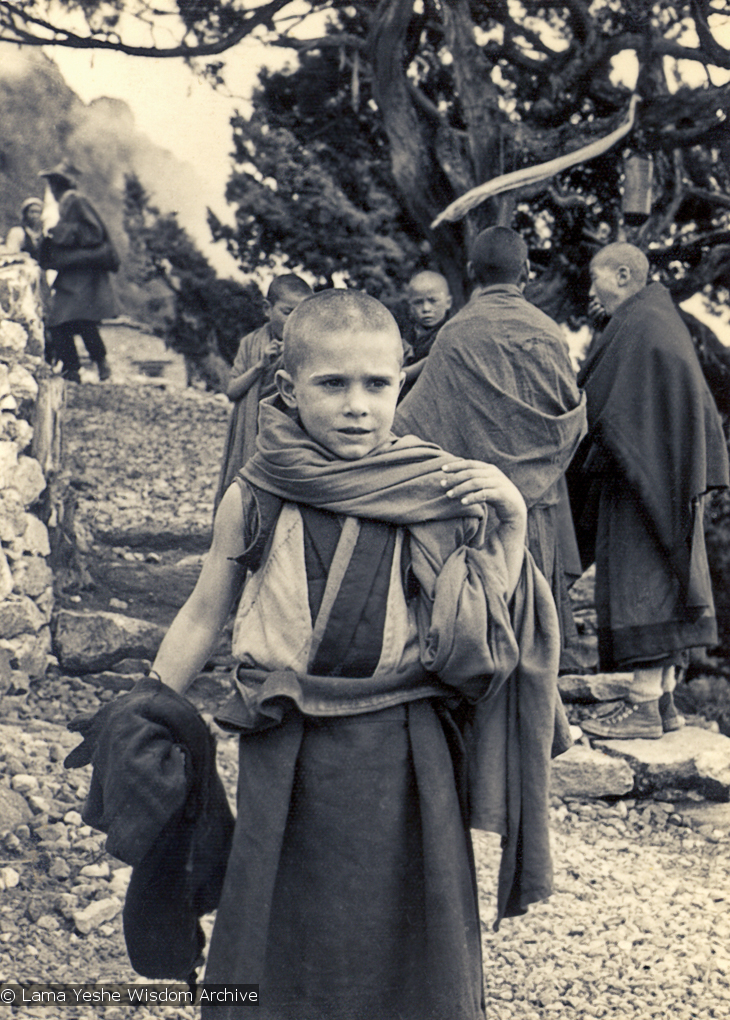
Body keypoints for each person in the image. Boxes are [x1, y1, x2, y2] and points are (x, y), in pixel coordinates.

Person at [143, 289, 567, 1019]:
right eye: (332, 384)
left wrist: (511, 522)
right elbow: (204, 610)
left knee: (409, 935)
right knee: (281, 922)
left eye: (378, 384)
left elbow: (480, 636)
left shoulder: (435, 488)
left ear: (403, 380)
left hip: (405, 747)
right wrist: (148, 706)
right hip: (288, 743)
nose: (357, 405)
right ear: (288, 388)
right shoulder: (256, 496)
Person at [396, 226, 587, 649]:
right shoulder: (549, 332)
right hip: (537, 511)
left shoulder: (457, 334)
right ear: (526, 272)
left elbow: (415, 425)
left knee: (481, 635)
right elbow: (571, 421)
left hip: (477, 515)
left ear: (470, 271)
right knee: (537, 637)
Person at [571, 242, 729, 740]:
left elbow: (600, 397)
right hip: (666, 477)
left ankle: (640, 706)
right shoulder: (653, 317)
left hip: (644, 482)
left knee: (643, 577)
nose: (591, 292)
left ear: (622, 274)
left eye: (596, 280)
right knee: (666, 573)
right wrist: (605, 328)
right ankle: (662, 703)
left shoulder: (640, 323)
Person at [214, 274, 312, 511]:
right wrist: (260, 365)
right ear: (267, 309)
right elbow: (232, 391)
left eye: (302, 314)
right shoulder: (250, 343)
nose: (295, 322)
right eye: (288, 312)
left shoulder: (310, 346)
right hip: (252, 431)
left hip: (290, 433)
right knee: (246, 494)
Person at [37, 160, 117, 384]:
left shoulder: (74, 200)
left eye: (53, 184)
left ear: (58, 185)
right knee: (76, 320)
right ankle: (87, 367)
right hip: (75, 273)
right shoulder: (67, 202)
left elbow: (94, 232)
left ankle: (79, 368)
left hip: (81, 274)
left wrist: (59, 232)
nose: (51, 189)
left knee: (64, 320)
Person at [399, 270, 452, 398]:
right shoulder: (405, 335)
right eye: (418, 302)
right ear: (410, 306)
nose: (426, 308)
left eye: (433, 301)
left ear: (448, 303)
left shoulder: (450, 333)